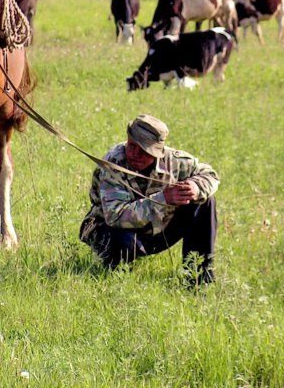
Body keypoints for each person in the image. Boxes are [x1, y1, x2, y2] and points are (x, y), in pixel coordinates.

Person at [79, 114, 220, 285]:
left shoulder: (174, 161)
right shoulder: (113, 164)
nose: (135, 154)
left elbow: (210, 175)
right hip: (108, 229)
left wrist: (195, 187)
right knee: (123, 242)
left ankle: (198, 280)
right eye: (131, 146)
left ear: (159, 151)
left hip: (154, 231)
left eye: (144, 150)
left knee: (205, 202)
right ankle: (115, 280)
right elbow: (115, 216)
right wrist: (164, 198)